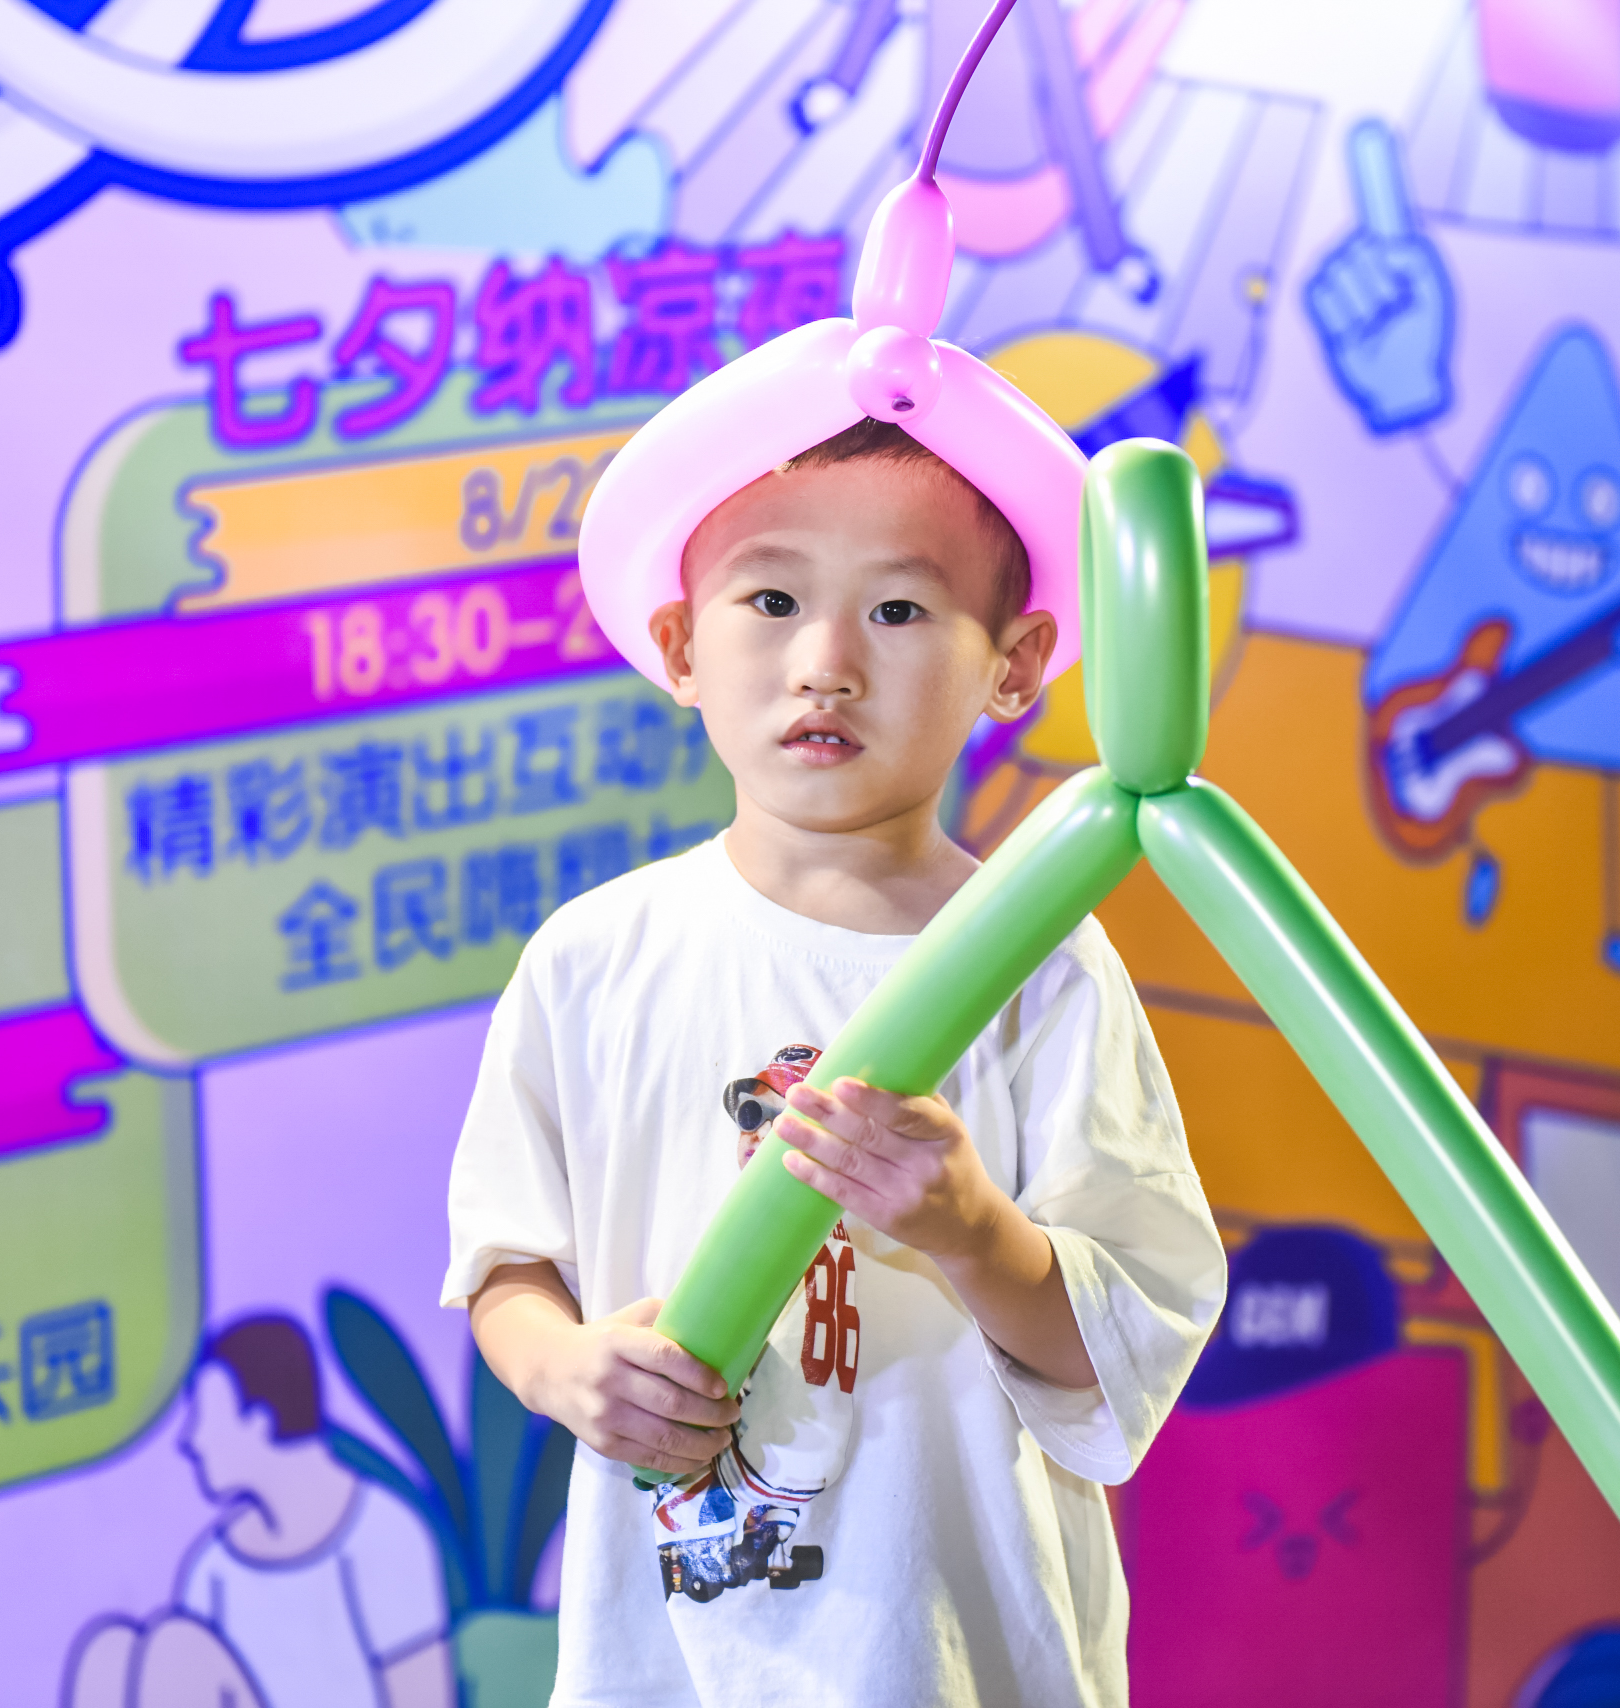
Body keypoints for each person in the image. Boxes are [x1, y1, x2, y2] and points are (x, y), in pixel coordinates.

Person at [441, 411, 1226, 1707]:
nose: (827, 664)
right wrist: (558, 1366)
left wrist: (972, 1227)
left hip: (954, 1656)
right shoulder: (592, 960)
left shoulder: (1044, 965)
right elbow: (507, 1266)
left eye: (900, 611)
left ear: (1015, 663)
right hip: (669, 1661)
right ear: (681, 646)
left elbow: (1120, 1351)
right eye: (771, 600)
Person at [63, 1315, 454, 1708]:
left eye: (204, 1415)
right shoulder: (214, 1564)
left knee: (175, 1646)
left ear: (258, 1420)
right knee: (107, 1655)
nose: (189, 1439)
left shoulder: (381, 1532)